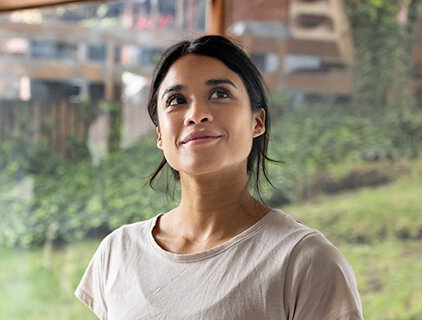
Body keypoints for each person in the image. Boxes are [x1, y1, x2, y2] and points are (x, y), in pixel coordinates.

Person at [75, 35, 363, 319]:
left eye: (220, 94)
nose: (196, 114)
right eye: (177, 100)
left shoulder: (304, 260)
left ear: (257, 121)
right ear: (160, 135)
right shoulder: (118, 252)